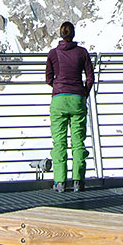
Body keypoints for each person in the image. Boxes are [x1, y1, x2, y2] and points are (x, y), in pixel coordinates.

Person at [45, 21, 94, 193]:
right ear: (73, 35)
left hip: (58, 99)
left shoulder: (53, 54)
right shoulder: (82, 53)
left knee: (59, 142)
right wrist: (83, 93)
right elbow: (90, 78)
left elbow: (48, 78)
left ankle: (59, 182)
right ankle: (78, 181)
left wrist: (59, 88)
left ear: (61, 35)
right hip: (77, 99)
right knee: (78, 141)